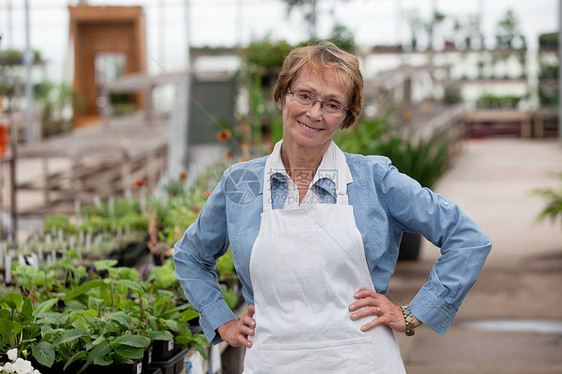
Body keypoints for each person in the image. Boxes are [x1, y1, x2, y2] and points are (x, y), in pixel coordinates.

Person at [174, 41, 492, 373]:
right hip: (273, 362)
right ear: (283, 95)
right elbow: (190, 256)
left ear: (346, 117)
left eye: (332, 104)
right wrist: (221, 321)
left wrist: (412, 314)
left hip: (363, 362)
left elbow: (467, 239)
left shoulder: (374, 180)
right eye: (305, 95)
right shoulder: (241, 182)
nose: (314, 113)